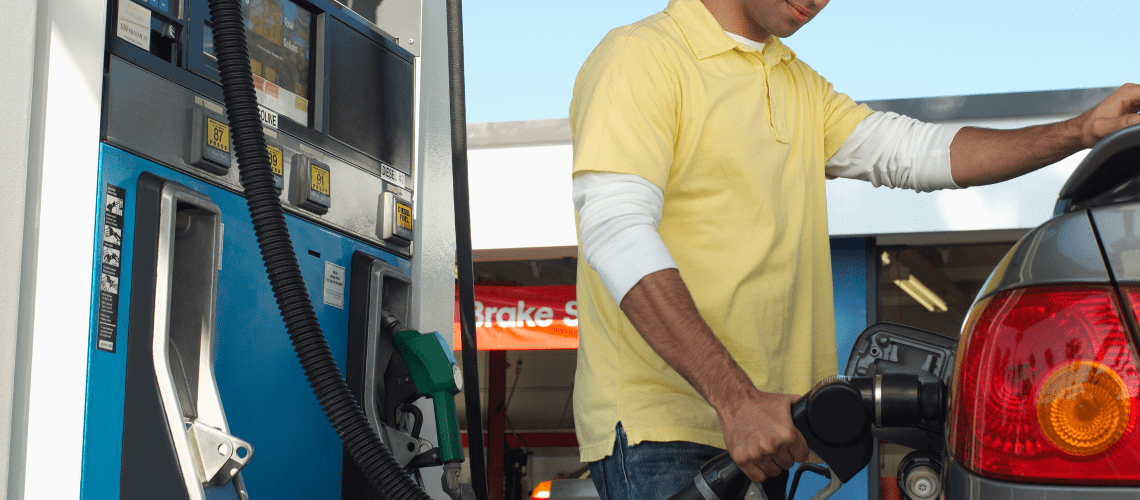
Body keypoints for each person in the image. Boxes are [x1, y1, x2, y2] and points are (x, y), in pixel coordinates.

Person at [568, 0, 1140, 499]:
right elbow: (615, 230)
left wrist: (1079, 130)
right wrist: (735, 400)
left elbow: (915, 152)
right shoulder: (642, 55)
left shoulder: (796, 83)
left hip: (771, 427)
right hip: (666, 432)